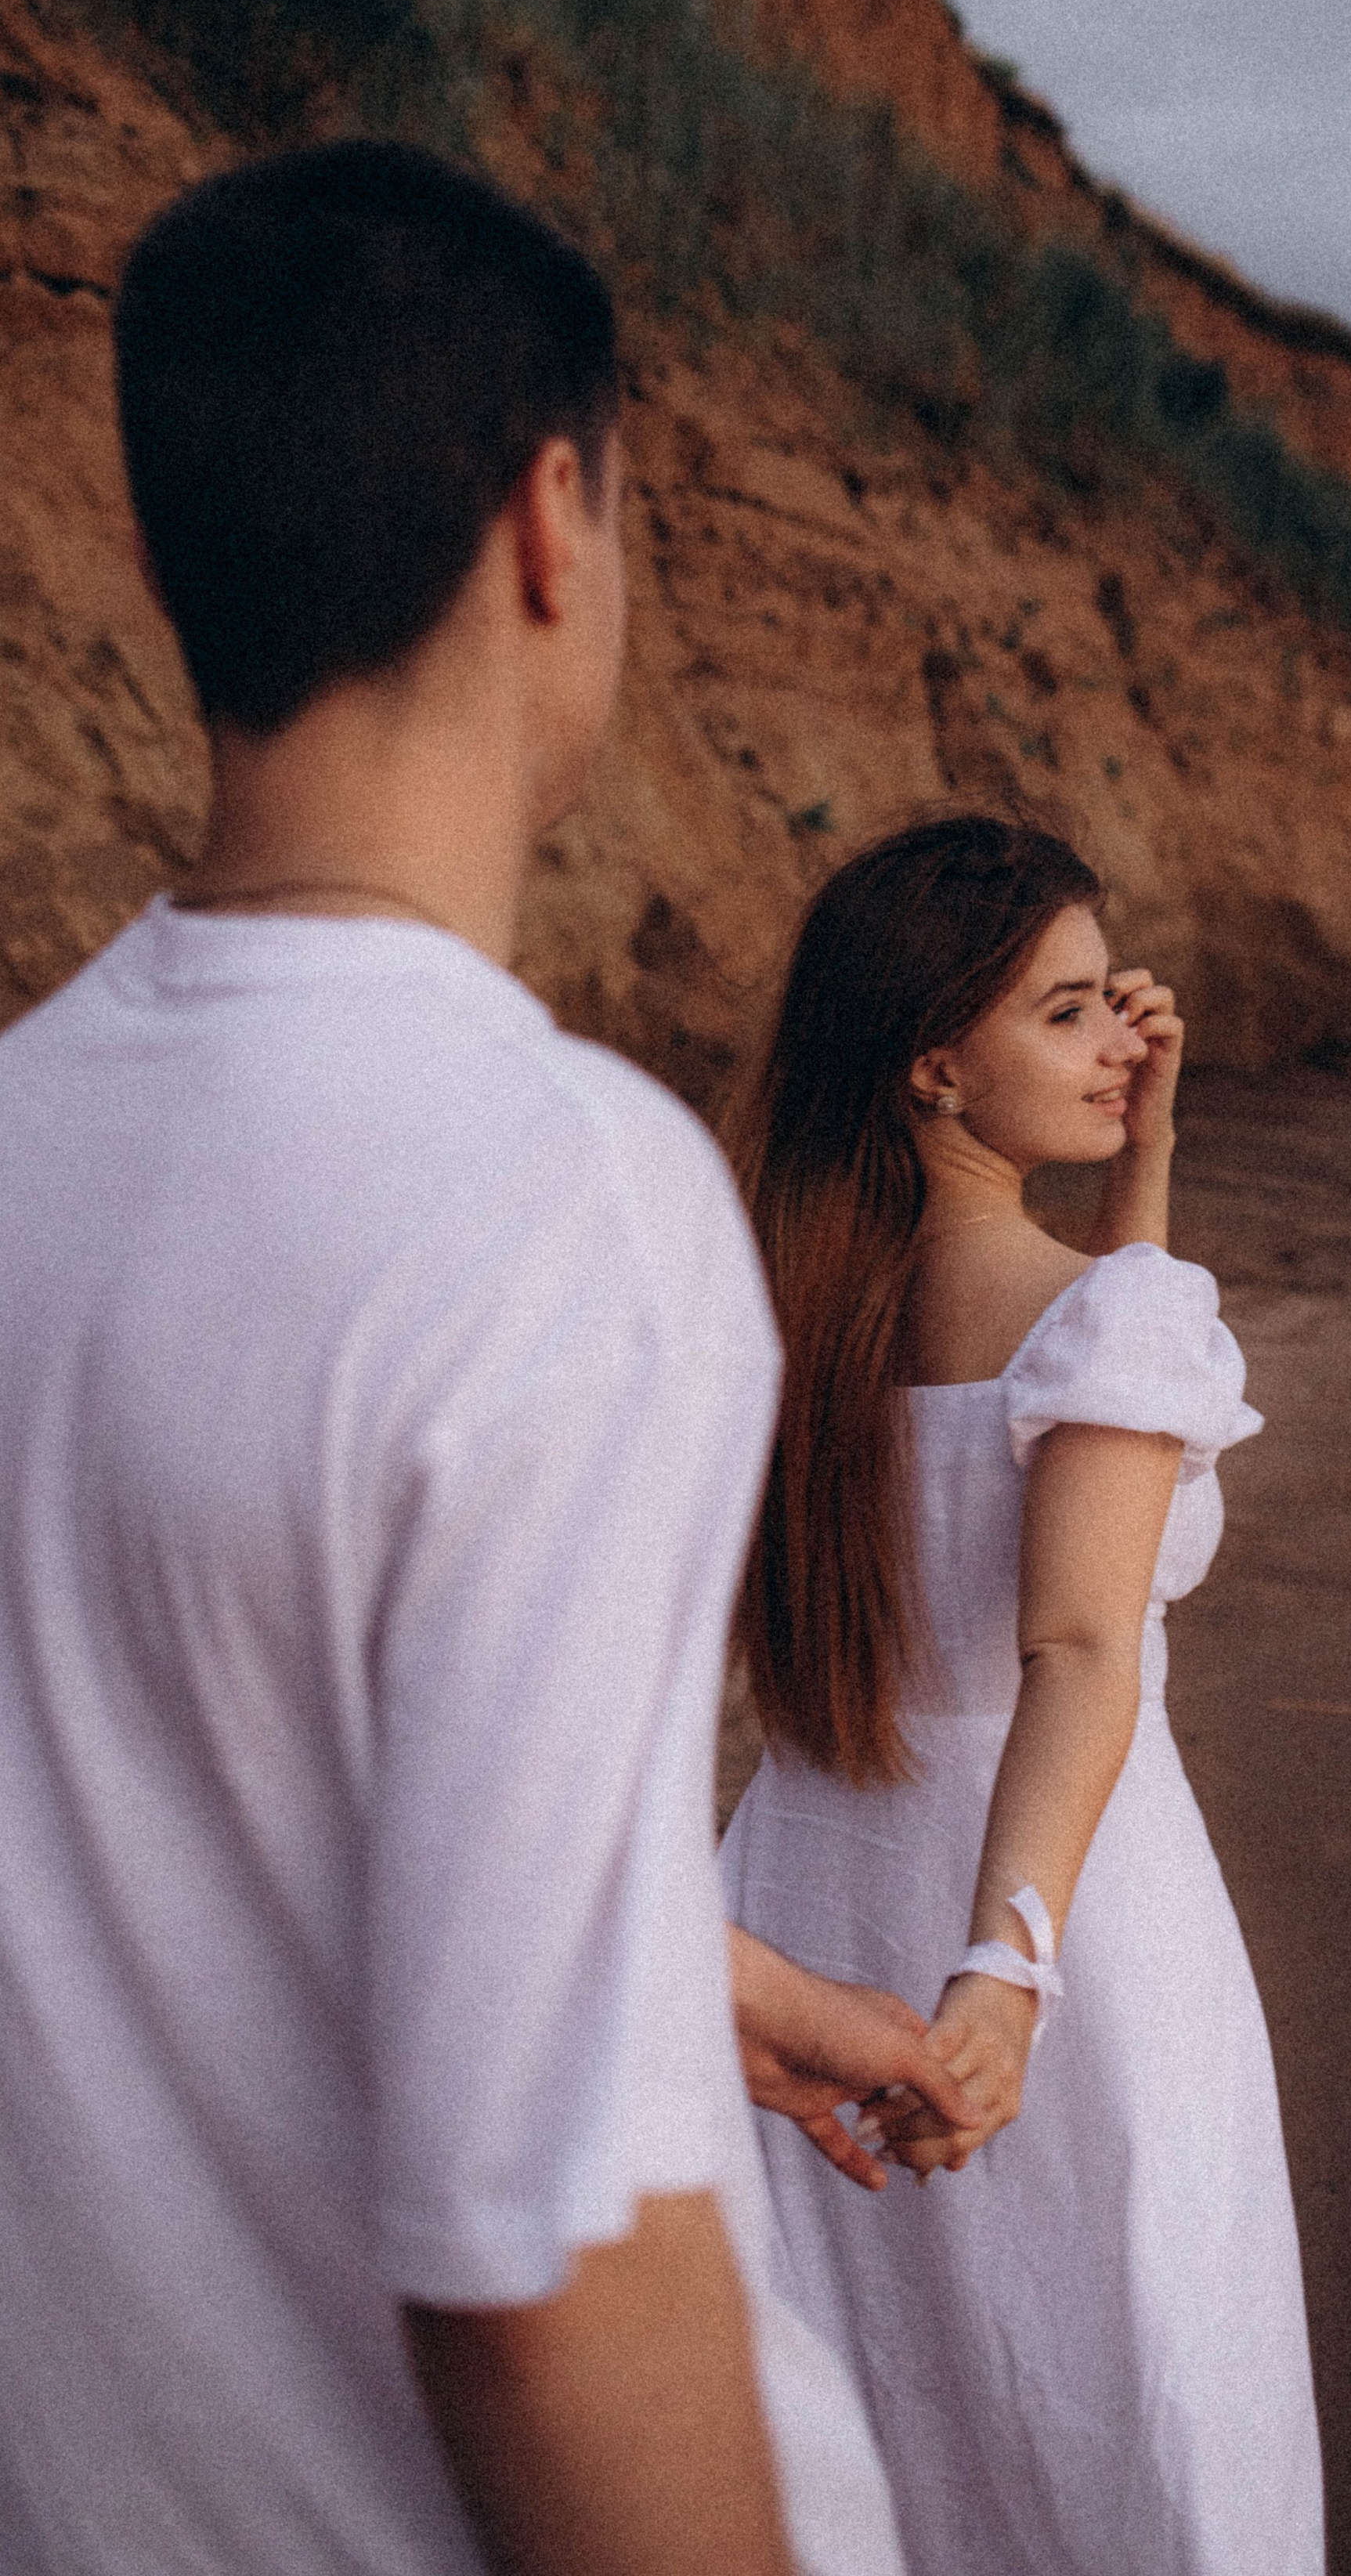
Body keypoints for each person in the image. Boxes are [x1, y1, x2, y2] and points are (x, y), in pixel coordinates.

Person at [0, 141, 974, 2576]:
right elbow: (537, 2264)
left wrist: (674, 1967)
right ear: (556, 526)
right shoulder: (567, 1207)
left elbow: (158, 1795)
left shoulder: (27, 1131)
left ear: (156, 564)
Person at [721, 816, 1326, 2575]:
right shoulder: (1109, 1322)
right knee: (1118, 2405)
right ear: (932, 1062)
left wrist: (1140, 1166)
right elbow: (1074, 1650)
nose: (1121, 1042)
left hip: (798, 1893)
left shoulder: (790, 1303)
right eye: (1065, 1014)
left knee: (869, 2416)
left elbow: (1098, 1366)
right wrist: (1008, 1968)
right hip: (1064, 1908)